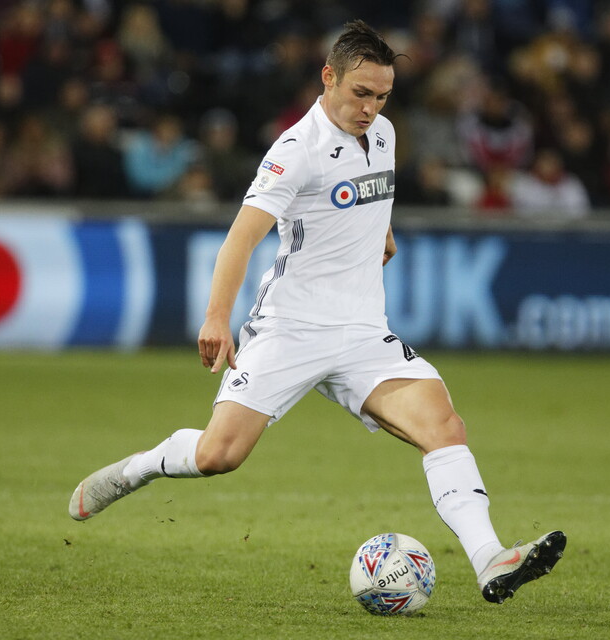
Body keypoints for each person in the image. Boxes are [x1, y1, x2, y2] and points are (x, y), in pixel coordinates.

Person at [68, 20, 565, 606]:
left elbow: (370, 192)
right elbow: (240, 239)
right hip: (292, 328)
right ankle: (140, 467)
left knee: (445, 428)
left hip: (363, 332)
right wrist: (216, 317)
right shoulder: (295, 150)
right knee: (218, 455)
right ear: (328, 77)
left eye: (382, 96)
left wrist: (382, 232)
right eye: (361, 93)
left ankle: (490, 559)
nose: (370, 108)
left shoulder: (384, 134)